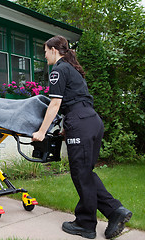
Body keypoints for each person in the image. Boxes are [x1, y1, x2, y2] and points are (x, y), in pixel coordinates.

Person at [32, 36, 132, 239]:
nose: (44, 56)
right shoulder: (73, 70)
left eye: (45, 51)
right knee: (85, 172)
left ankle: (86, 224)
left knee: (80, 174)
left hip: (80, 122)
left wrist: (41, 132)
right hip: (92, 121)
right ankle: (115, 211)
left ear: (53, 50)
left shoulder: (59, 69)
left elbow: (55, 104)